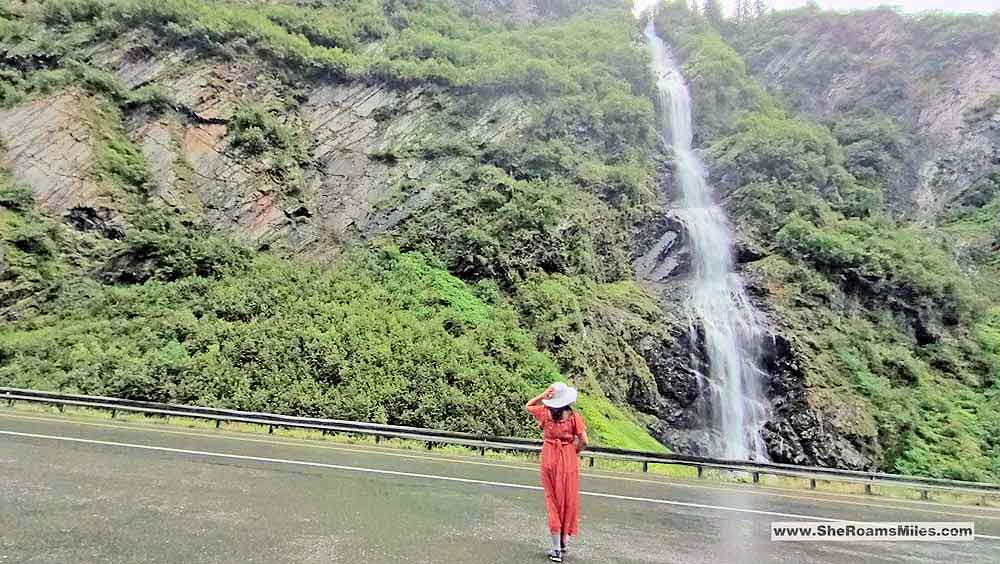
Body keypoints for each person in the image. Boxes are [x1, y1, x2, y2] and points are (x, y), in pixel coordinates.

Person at [525, 382, 588, 562]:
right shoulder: (574, 417)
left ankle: (555, 549)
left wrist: (542, 395)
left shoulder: (544, 413)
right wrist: (572, 450)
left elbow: (528, 406)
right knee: (569, 498)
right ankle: (564, 543)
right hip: (568, 456)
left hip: (549, 456)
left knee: (552, 499)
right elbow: (584, 441)